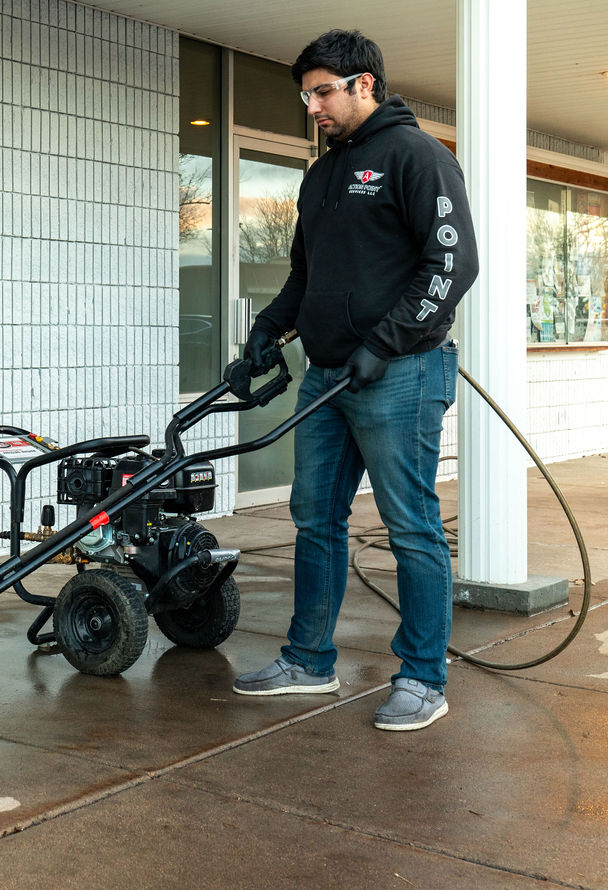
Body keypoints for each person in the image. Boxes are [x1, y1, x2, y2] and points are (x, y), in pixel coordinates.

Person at [232, 30, 478, 731]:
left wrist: (386, 343)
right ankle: (309, 660)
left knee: (410, 527)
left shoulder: (417, 157)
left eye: (323, 91)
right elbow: (306, 277)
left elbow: (452, 265)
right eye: (306, 94)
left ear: (364, 83)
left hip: (400, 372)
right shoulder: (323, 174)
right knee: (315, 517)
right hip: (329, 377)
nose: (312, 106)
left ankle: (424, 678)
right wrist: (266, 330)